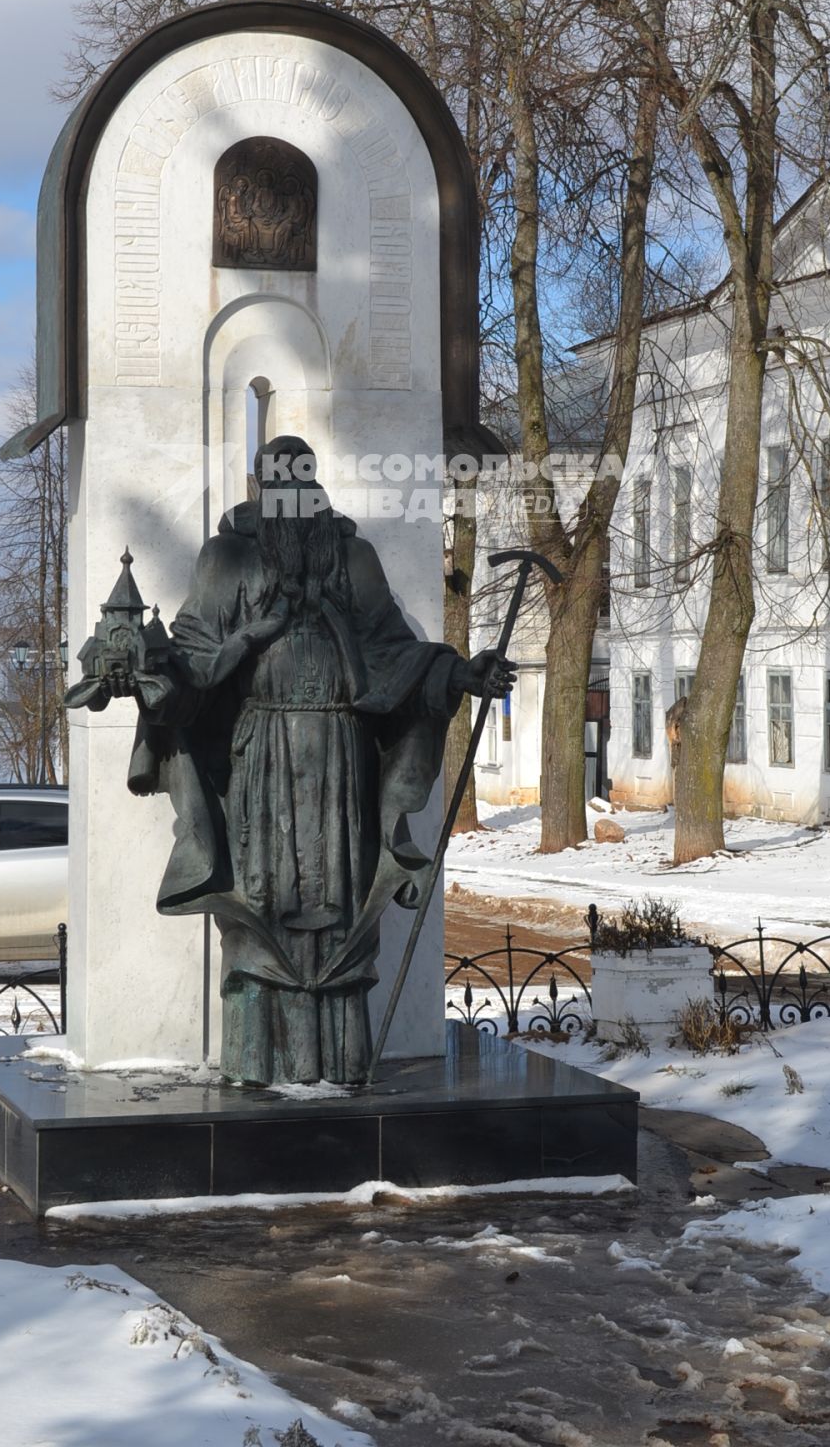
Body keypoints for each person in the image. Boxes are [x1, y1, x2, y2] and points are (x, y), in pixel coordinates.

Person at [70, 435, 513, 1086]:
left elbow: (394, 647)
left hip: (343, 760)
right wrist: (148, 670)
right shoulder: (226, 559)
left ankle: (340, 1064)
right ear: (263, 489)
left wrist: (459, 676)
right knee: (261, 905)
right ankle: (258, 1067)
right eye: (281, 483)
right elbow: (192, 647)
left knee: (340, 905)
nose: (295, 497)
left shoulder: (351, 558)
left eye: (303, 481)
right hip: (261, 763)